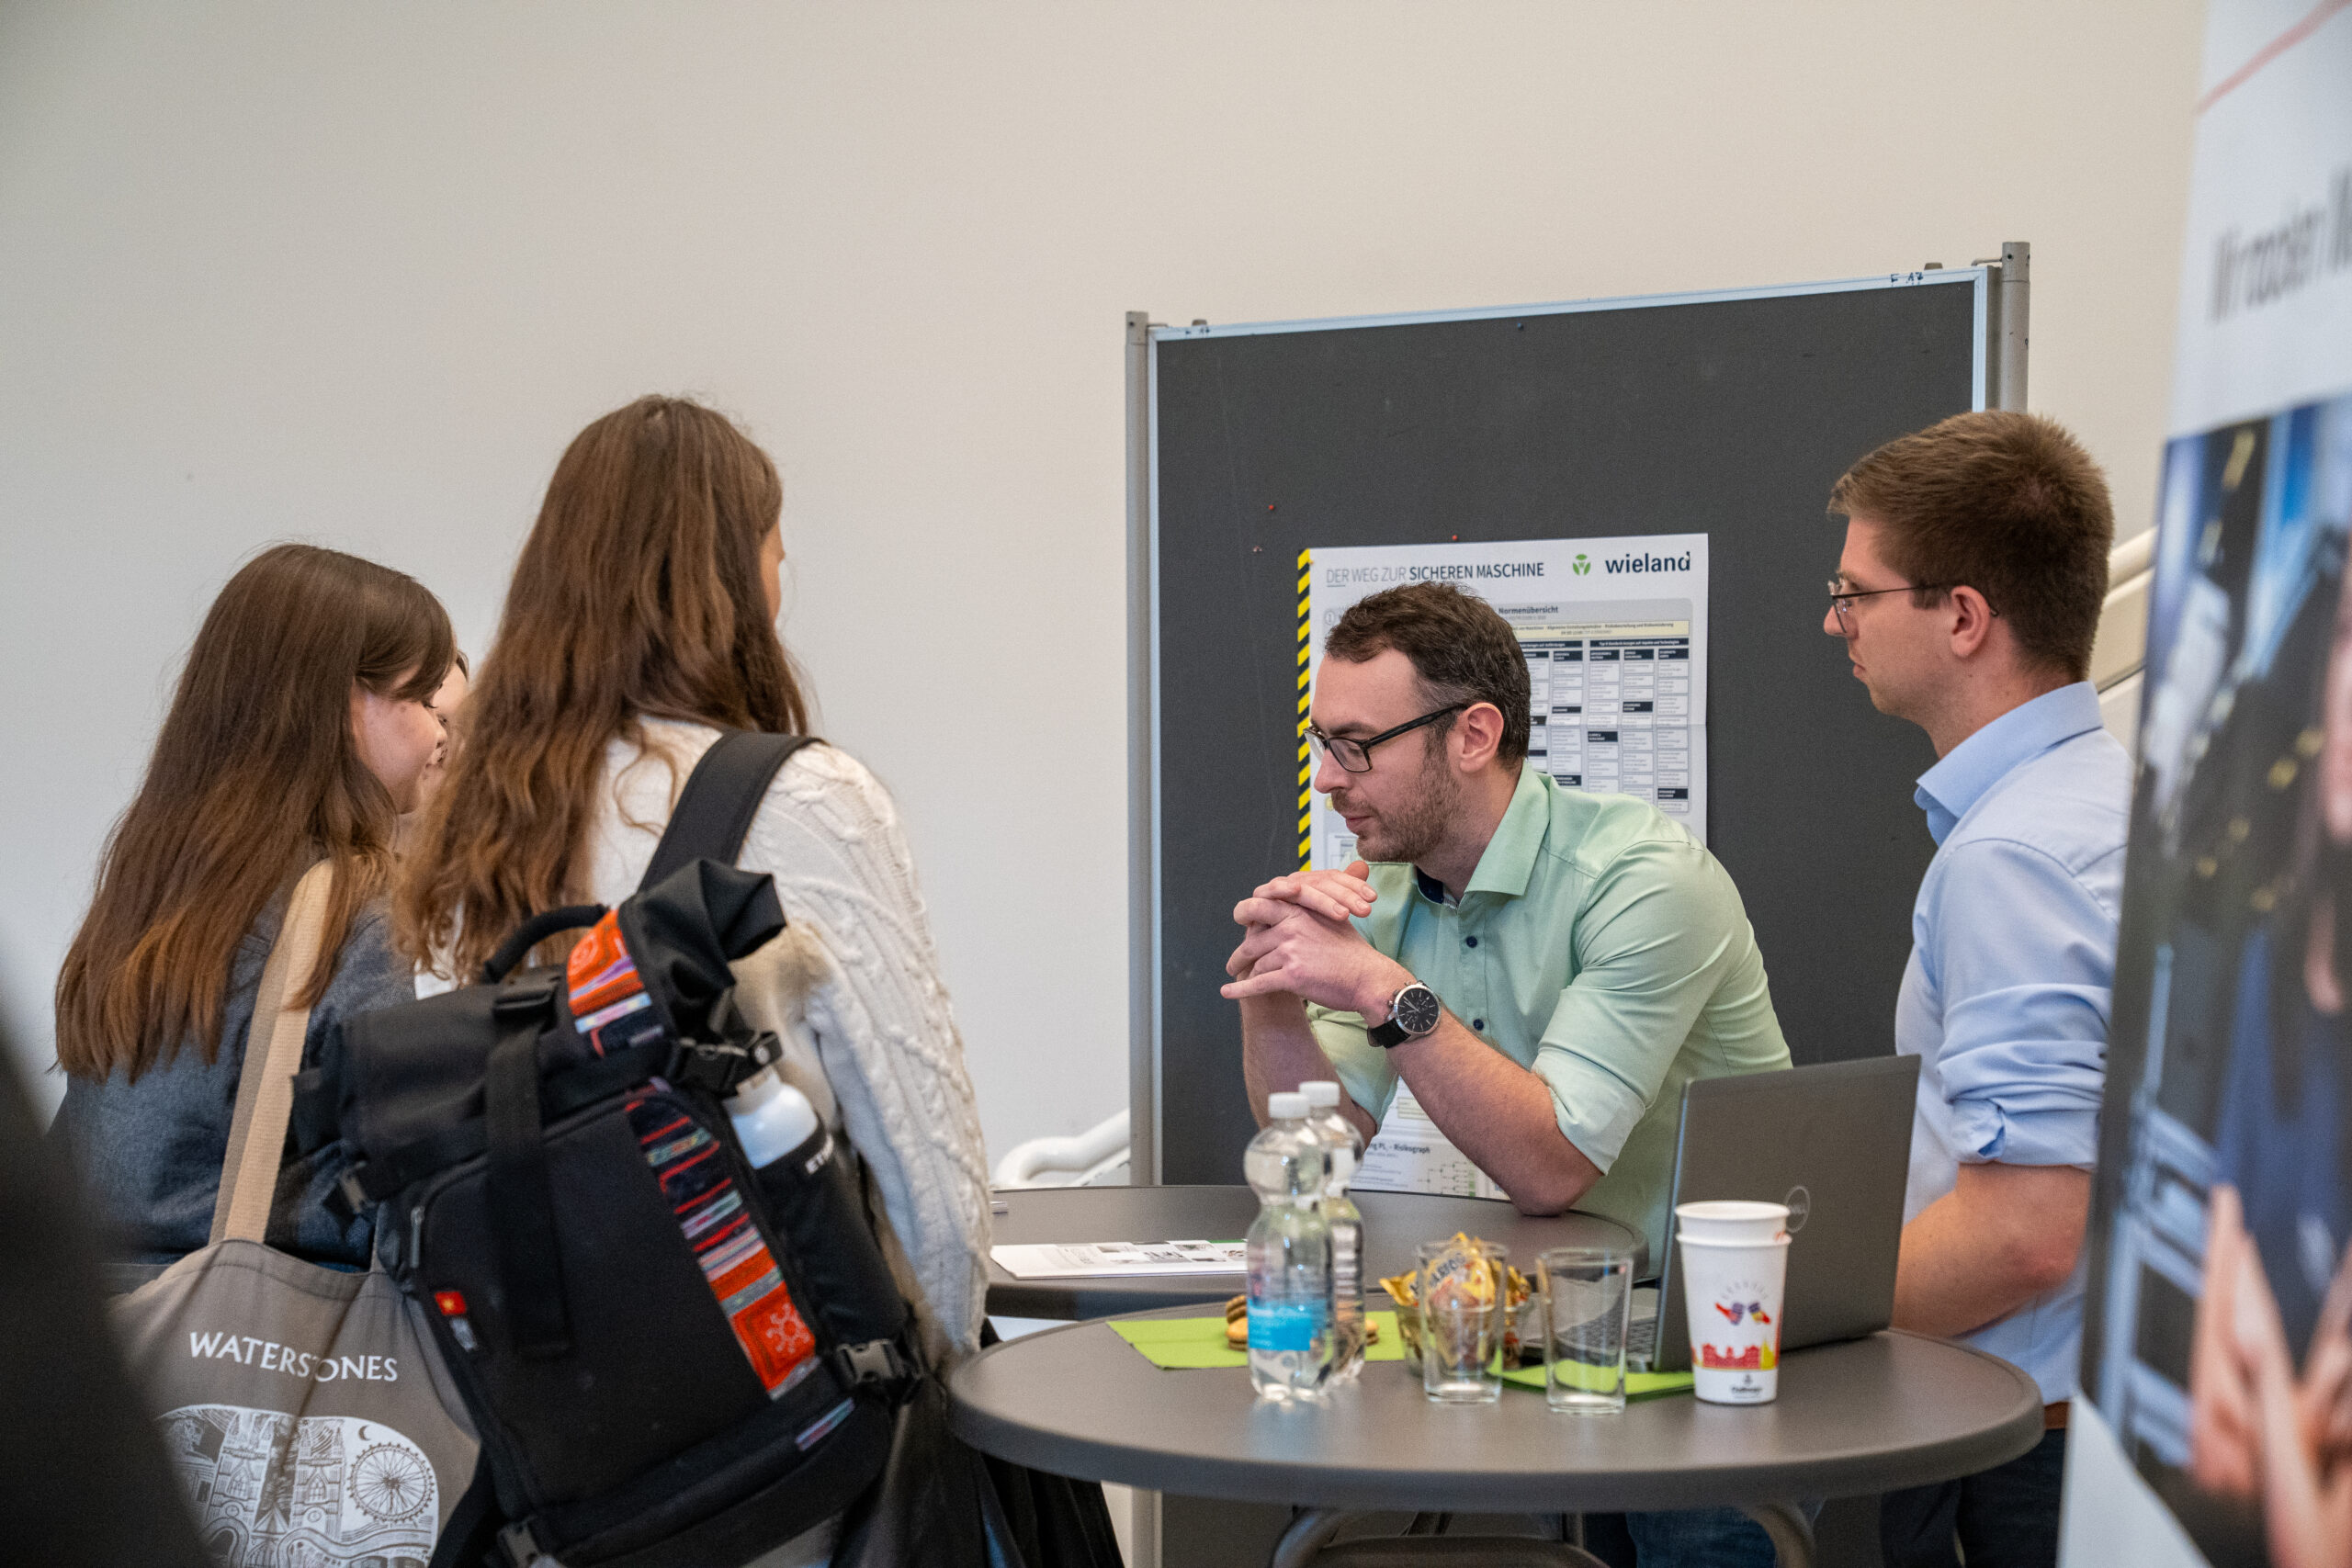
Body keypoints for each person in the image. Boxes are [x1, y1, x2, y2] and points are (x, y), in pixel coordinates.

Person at [396, 397, 990, 1391]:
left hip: (558, 1407)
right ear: (724, 580)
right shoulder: (801, 800)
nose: (781, 575)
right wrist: (948, 1375)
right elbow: (924, 1169)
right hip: (782, 1401)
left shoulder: (475, 816)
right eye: (772, 552)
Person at [1224, 579, 1792, 1567]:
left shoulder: (1643, 881)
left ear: (1473, 735)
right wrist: (1275, 986)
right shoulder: (1392, 890)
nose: (1328, 778)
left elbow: (1550, 1165)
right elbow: (1315, 1135)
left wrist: (1383, 991)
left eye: (1358, 745)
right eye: (1323, 743)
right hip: (1557, 1325)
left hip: (1707, 1339)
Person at [1821, 411, 2128, 1568]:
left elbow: (2019, 1236)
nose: (1833, 620)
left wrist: (1773, 1314)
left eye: (1856, 593)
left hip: (2026, 1449)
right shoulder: (2116, 805)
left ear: (1961, 616)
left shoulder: (2013, 858)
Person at [51, 544, 456, 1278]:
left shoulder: (154, 877)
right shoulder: (356, 911)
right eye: (424, 701)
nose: (440, 733)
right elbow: (397, 1196)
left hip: (99, 1325)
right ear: (342, 708)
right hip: (248, 1352)